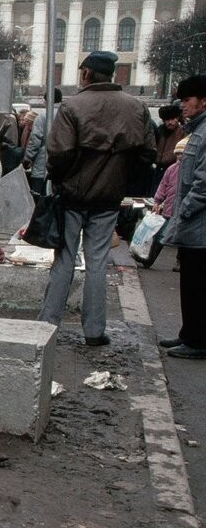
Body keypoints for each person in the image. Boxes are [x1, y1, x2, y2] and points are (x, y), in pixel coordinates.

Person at [39, 51, 155, 347]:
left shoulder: (73, 106)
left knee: (64, 259)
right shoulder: (136, 107)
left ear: (86, 74)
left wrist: (60, 180)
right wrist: (120, 177)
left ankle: (47, 325)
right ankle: (93, 331)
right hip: (109, 198)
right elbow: (147, 154)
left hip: (73, 196)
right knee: (98, 262)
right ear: (112, 75)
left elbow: (59, 153)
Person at [159, 76, 206, 359]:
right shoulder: (197, 130)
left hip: (199, 224)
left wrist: (184, 211)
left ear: (204, 101)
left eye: (187, 100)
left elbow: (203, 184)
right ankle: (189, 333)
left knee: (197, 284)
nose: (182, 106)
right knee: (190, 282)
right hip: (194, 224)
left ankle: (198, 341)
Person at [137, 137, 188, 270]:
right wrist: (157, 201)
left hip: (183, 209)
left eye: (182, 154)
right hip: (169, 208)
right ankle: (149, 258)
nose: (179, 157)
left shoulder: (190, 171)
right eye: (178, 154)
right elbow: (163, 185)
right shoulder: (172, 169)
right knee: (161, 235)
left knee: (182, 237)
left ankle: (179, 260)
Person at [23, 89, 62, 195]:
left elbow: (35, 141)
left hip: (42, 166)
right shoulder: (67, 115)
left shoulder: (42, 117)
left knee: (39, 197)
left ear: (47, 100)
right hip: (63, 167)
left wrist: (27, 159)